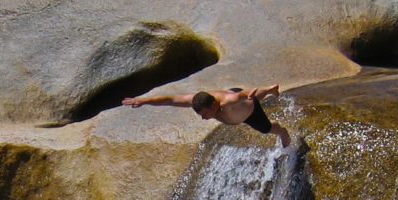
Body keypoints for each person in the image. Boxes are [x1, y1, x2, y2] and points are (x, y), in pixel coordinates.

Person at [122, 84, 295, 149]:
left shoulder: (230, 101)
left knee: (267, 127)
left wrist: (267, 90)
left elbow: (249, 93)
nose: (204, 118)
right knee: (249, 99)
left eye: (205, 114)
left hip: (248, 110)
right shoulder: (195, 100)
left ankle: (282, 132)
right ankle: (269, 92)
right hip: (238, 103)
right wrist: (144, 100)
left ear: (213, 105)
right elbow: (171, 99)